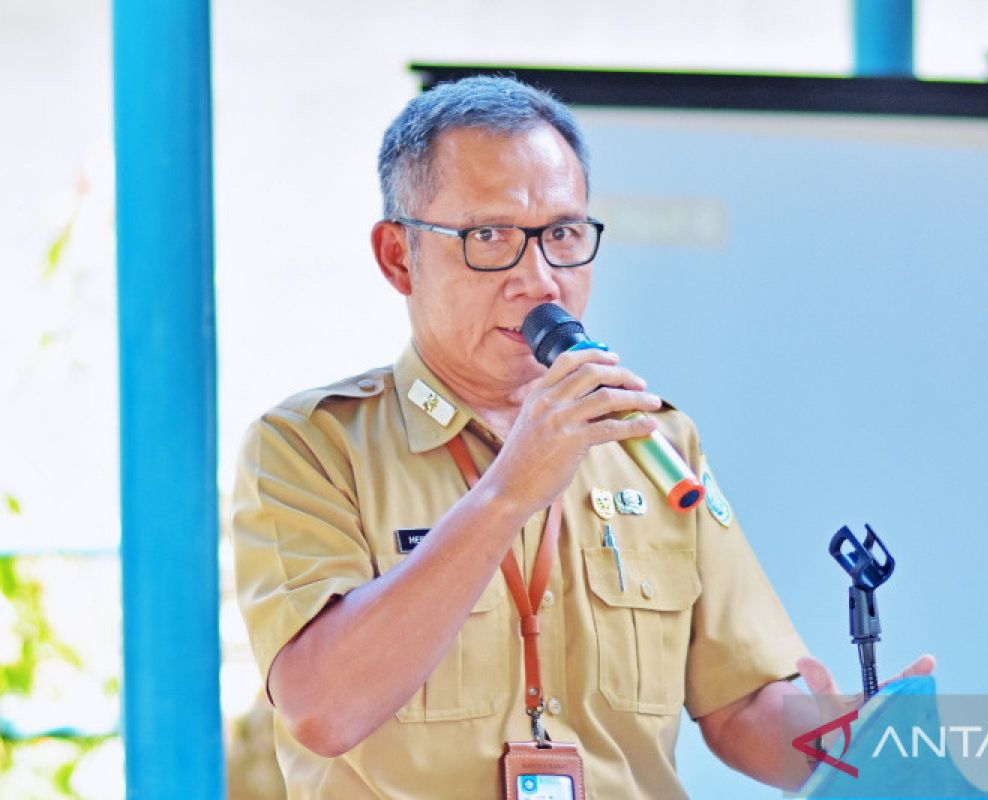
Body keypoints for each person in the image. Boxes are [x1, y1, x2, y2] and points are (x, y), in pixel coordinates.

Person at [232, 74, 933, 799]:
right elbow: (323, 707)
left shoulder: (653, 442)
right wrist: (510, 491)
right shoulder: (311, 448)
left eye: (562, 235)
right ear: (398, 257)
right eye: (490, 237)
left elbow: (742, 705)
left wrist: (857, 741)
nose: (538, 279)